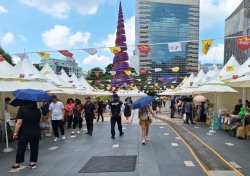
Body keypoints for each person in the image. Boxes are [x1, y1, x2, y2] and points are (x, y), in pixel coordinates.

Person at [12, 100, 41, 170]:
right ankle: (32, 163)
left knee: (21, 148)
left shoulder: (22, 110)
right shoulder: (38, 110)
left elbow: (19, 123)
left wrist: (15, 132)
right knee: (34, 148)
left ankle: (17, 164)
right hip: (36, 131)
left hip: (24, 132)